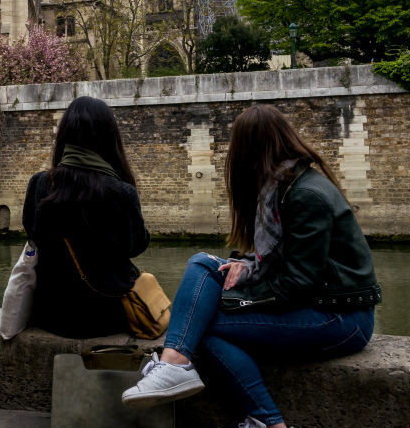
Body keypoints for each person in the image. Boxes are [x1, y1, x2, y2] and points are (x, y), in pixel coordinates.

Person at [122, 104, 381, 428]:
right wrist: (245, 265)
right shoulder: (285, 187)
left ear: (250, 150)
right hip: (319, 304)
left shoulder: (305, 195)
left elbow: (298, 283)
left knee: (205, 326)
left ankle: (264, 419)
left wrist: (236, 300)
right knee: (202, 263)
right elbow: (284, 260)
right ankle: (177, 365)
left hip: (341, 317)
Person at [22, 95, 150, 338]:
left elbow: (33, 234)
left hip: (51, 315)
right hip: (109, 316)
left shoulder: (40, 183)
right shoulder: (121, 192)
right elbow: (136, 246)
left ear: (65, 135)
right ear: (109, 137)